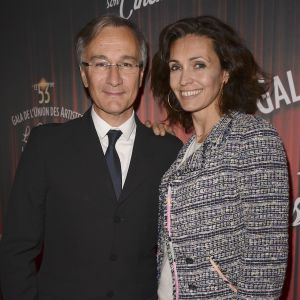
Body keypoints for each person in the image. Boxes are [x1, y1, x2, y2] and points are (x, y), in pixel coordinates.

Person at [0, 15, 182, 300]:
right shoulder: (46, 145)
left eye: (126, 63)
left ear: (142, 72)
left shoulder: (168, 152)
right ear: (84, 74)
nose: (114, 77)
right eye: (100, 63)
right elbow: (16, 249)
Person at [151, 15, 289, 300]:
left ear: (226, 72)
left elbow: (266, 259)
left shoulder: (252, 136)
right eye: (176, 67)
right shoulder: (184, 151)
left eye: (199, 65)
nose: (184, 79)